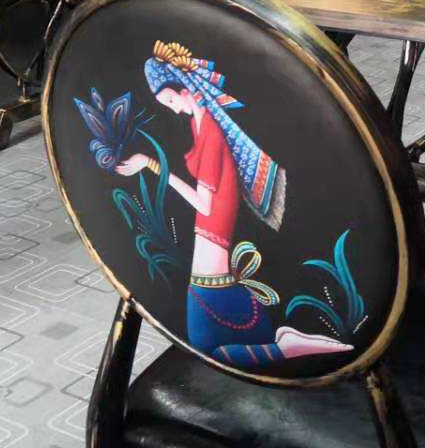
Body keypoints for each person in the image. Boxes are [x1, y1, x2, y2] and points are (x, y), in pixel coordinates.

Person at [117, 41, 350, 368]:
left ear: (185, 89)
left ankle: (285, 345)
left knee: (203, 339)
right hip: (210, 224)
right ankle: (279, 339)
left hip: (213, 224)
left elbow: (204, 203)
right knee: (209, 335)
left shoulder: (210, 134)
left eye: (170, 100)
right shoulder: (200, 124)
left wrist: (153, 166)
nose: (172, 108)